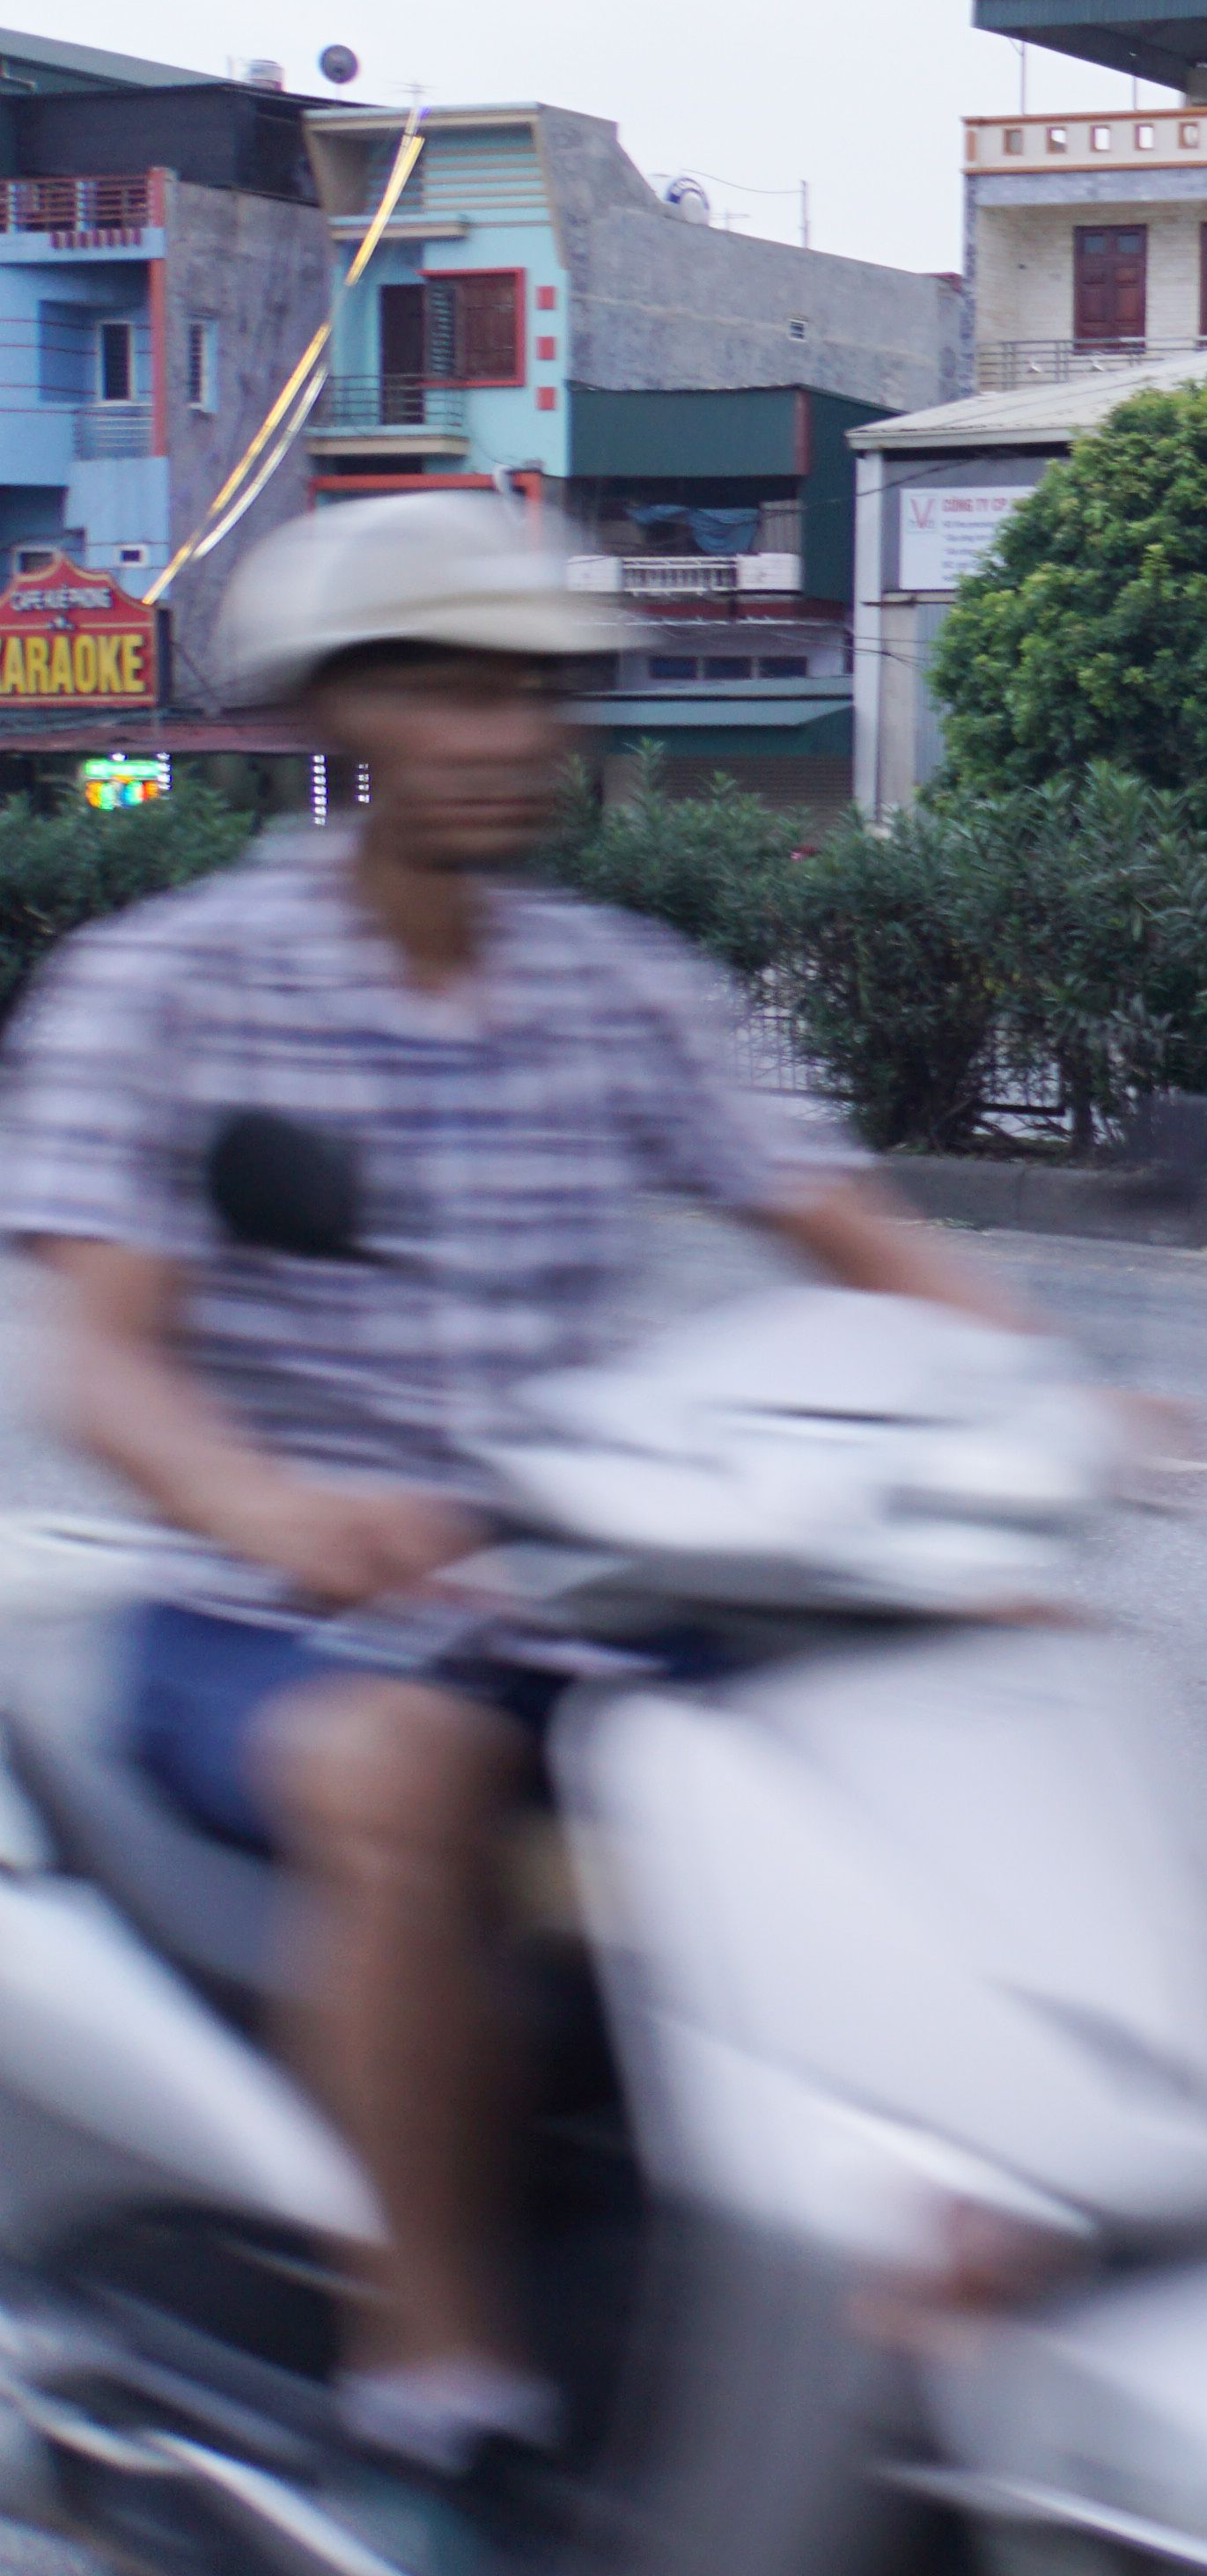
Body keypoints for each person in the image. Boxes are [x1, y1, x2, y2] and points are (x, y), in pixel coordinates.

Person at [0, 495, 1066, 2492]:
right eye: (449, 689)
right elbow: (111, 1367)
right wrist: (282, 1510)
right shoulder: (168, 989)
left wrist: (1058, 1406)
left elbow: (850, 1227)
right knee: (403, 1771)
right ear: (344, 716)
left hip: (589, 1589)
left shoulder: (621, 989)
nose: (502, 735)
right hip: (270, 1612)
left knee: (941, 1735)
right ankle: (437, 2365)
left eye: (535, 696)